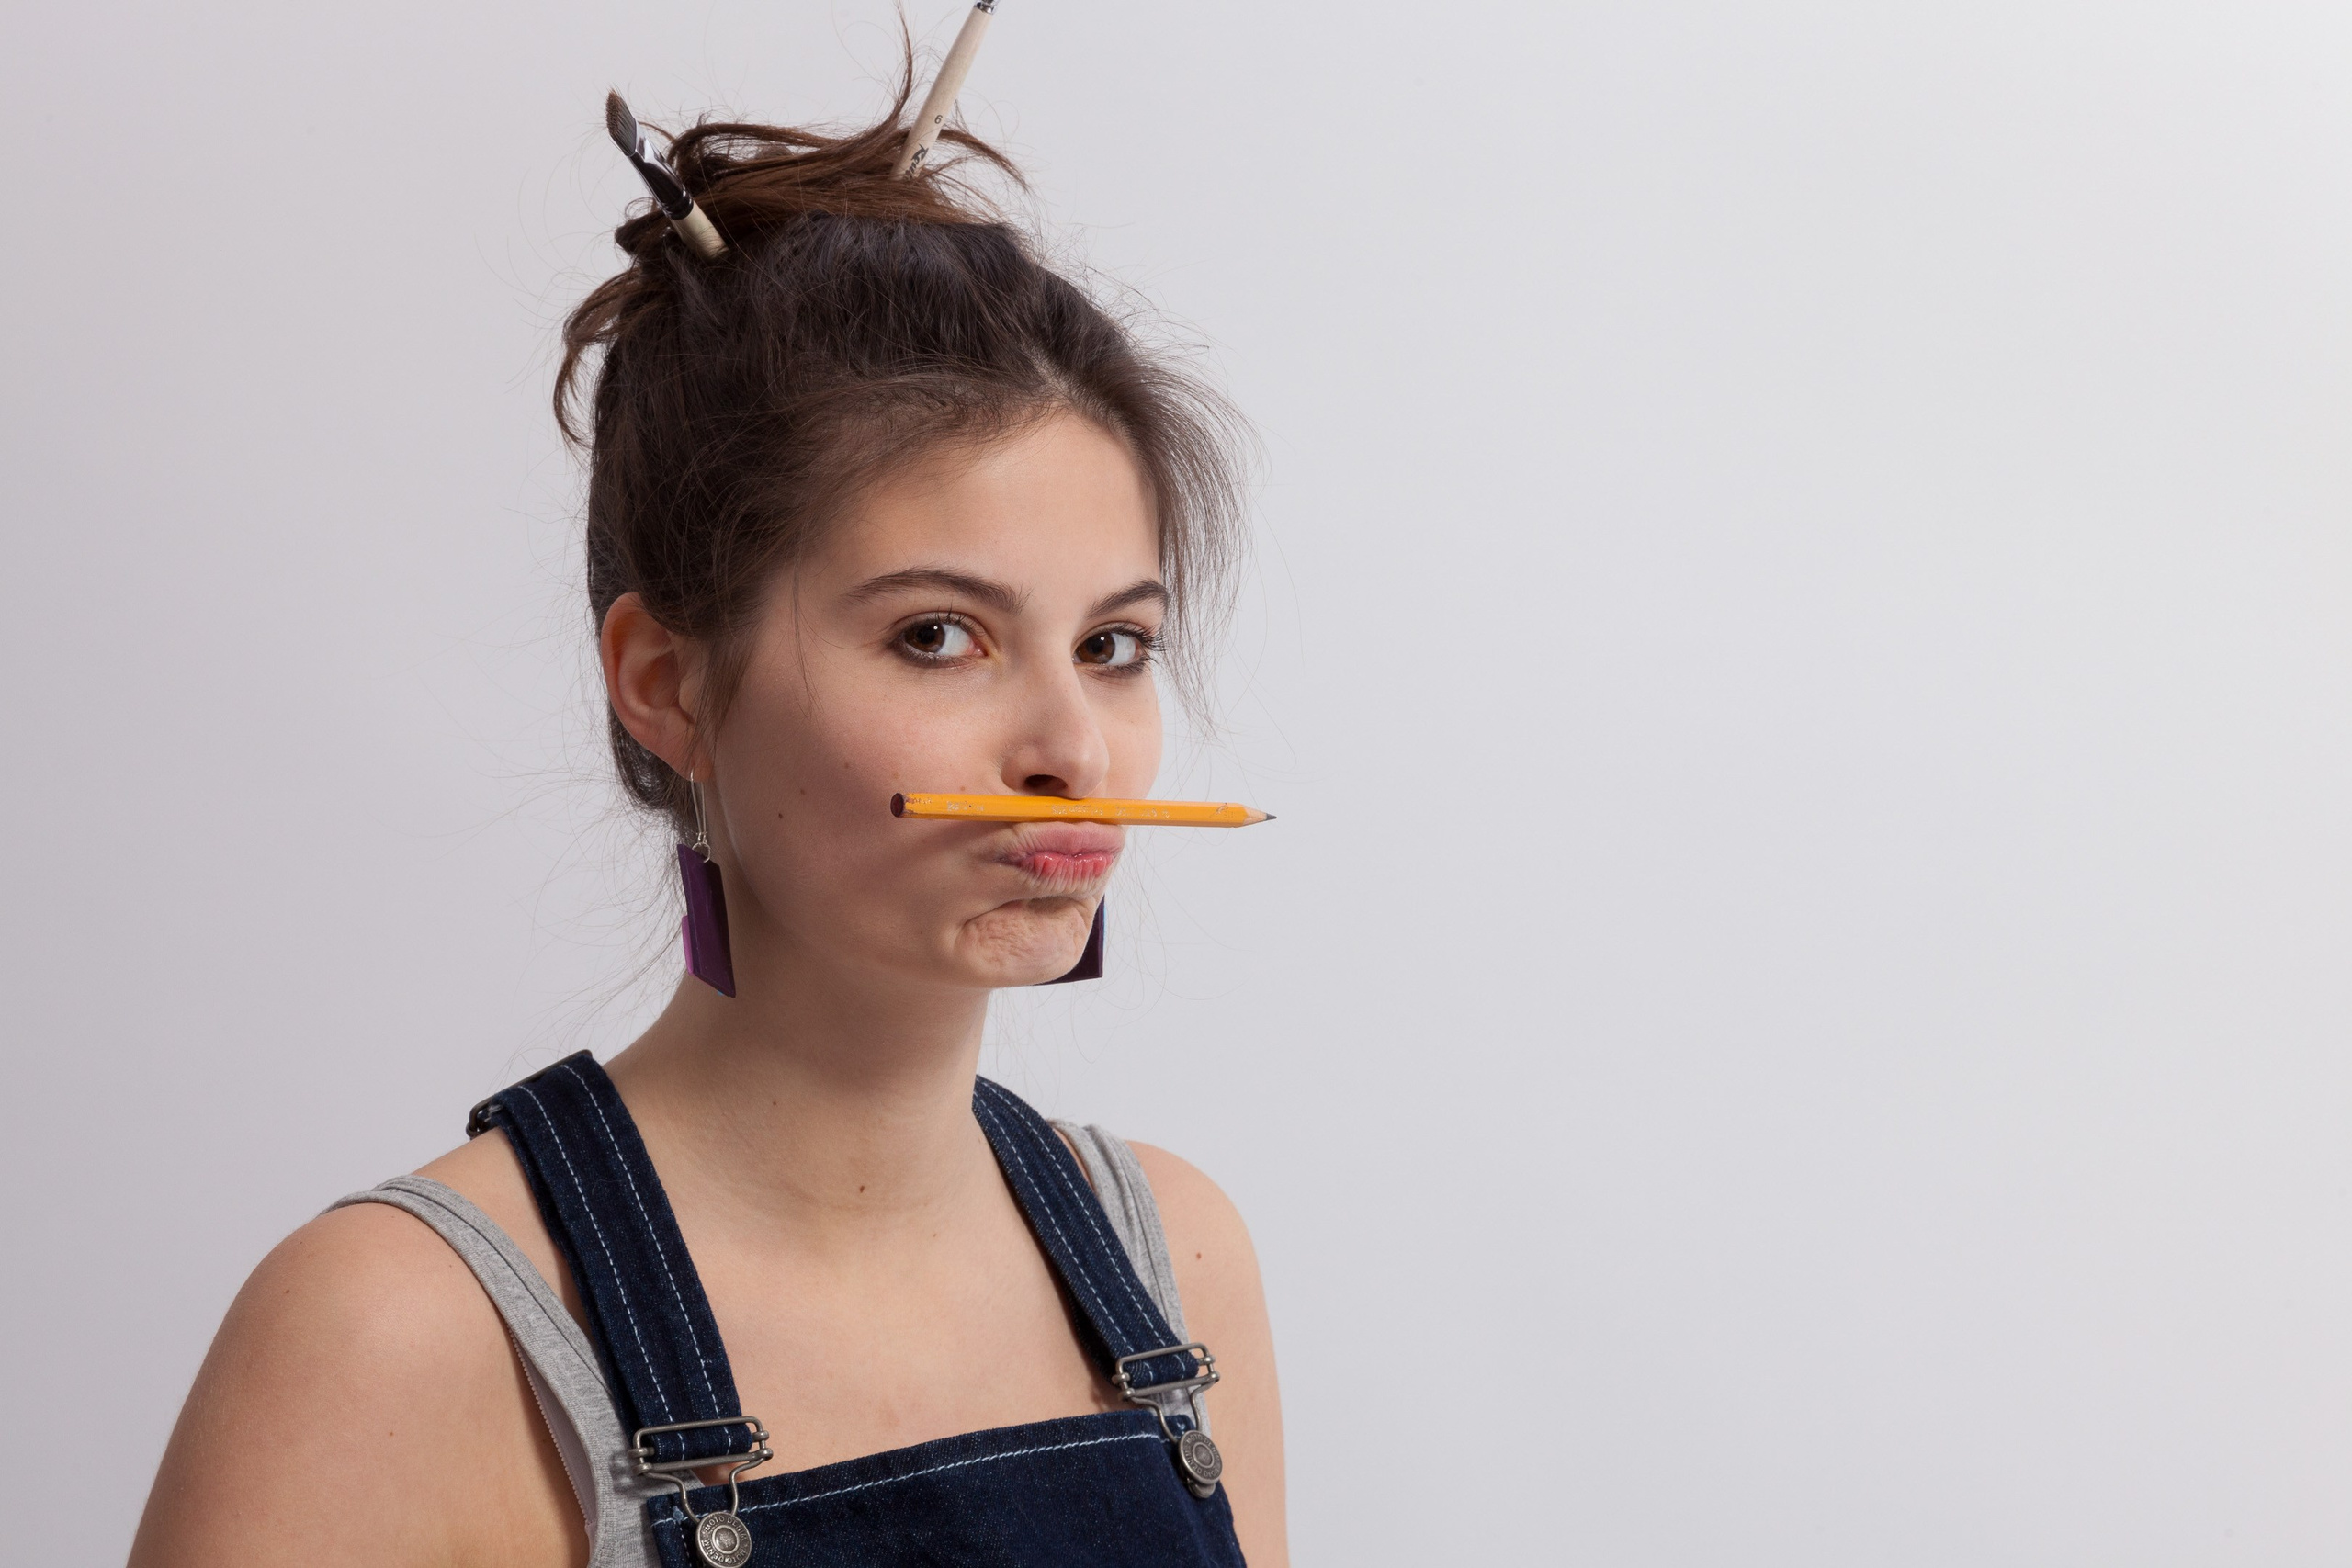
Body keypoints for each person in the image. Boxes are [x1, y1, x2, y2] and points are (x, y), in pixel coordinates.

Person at [130, 82, 1283, 1568]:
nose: (1073, 750)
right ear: (666, 685)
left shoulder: (1178, 1263)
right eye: (939, 636)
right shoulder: (394, 1333)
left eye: (1115, 646)